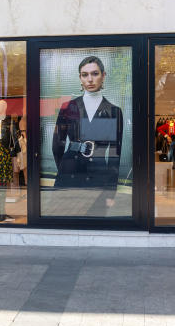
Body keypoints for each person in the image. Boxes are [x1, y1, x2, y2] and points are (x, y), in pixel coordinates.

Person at [51, 55, 123, 214]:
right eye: (85, 74)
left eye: (95, 74)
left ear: (103, 76)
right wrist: (63, 171)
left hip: (98, 175)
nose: (90, 79)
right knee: (64, 222)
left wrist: (111, 190)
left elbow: (114, 154)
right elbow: (57, 145)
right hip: (69, 172)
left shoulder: (114, 111)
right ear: (80, 78)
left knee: (95, 220)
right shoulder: (68, 107)